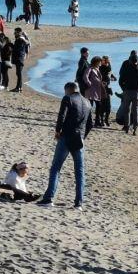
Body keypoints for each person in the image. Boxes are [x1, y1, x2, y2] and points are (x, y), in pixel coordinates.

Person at [37, 82, 93, 210]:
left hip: (66, 136)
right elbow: (90, 124)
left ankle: (48, 198)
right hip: (79, 139)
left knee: (56, 167)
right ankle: (78, 203)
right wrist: (83, 136)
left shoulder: (68, 98)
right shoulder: (87, 102)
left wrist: (57, 131)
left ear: (69, 90)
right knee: (79, 171)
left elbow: (62, 115)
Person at [118, 50, 138, 135]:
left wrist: (124, 89)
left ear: (130, 59)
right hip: (136, 92)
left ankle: (127, 127)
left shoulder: (126, 69)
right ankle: (134, 129)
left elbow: (120, 80)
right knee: (136, 111)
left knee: (127, 110)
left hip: (127, 91)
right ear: (137, 60)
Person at [11, 27, 30, 93]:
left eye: (15, 32)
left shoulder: (21, 39)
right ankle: (19, 87)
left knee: (19, 73)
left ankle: (18, 88)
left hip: (19, 58)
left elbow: (27, 43)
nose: (14, 33)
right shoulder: (19, 39)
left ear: (18, 32)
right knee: (18, 73)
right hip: (19, 58)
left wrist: (25, 36)